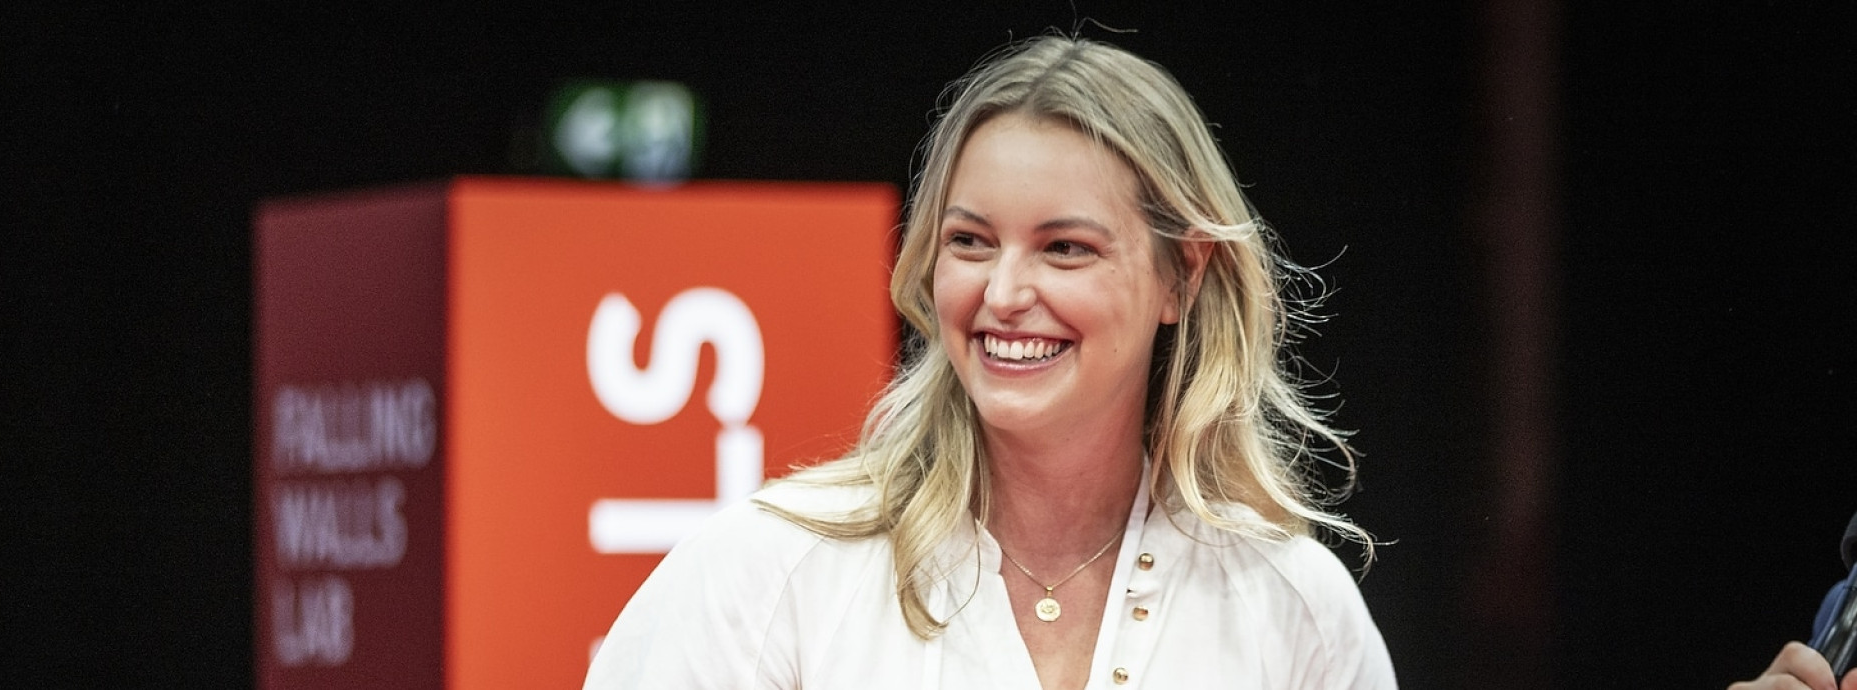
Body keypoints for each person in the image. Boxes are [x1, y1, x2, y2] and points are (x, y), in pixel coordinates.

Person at [585, 34, 1394, 689]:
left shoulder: (1294, 607)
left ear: (1181, 276)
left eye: (1065, 248)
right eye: (969, 241)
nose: (1004, 293)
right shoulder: (764, 574)